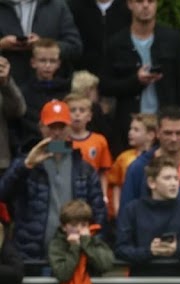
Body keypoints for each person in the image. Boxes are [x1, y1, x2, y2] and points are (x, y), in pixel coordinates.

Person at [0, 99, 106, 260]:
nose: (56, 133)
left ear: (70, 128)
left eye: (61, 127)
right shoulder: (26, 163)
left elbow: (99, 214)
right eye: (51, 127)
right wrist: (26, 165)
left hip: (73, 255)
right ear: (41, 127)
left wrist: (91, 248)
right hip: (32, 254)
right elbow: (3, 193)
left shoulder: (85, 169)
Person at [121, 106, 180, 259]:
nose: (174, 138)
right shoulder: (138, 168)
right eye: (168, 133)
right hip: (147, 264)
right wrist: (140, 253)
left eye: (179, 133)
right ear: (157, 133)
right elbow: (125, 216)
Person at [100, 0, 180, 153]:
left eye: (150, 1)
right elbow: (105, 85)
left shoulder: (172, 39)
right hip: (130, 126)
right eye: (139, 1)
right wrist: (135, 81)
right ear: (130, 4)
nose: (145, 6)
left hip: (167, 123)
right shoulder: (116, 43)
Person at [115, 156, 180, 276]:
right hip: (143, 282)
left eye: (176, 178)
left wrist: (177, 249)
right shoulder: (132, 210)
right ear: (152, 183)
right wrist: (149, 251)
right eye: (167, 178)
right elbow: (121, 249)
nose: (173, 183)